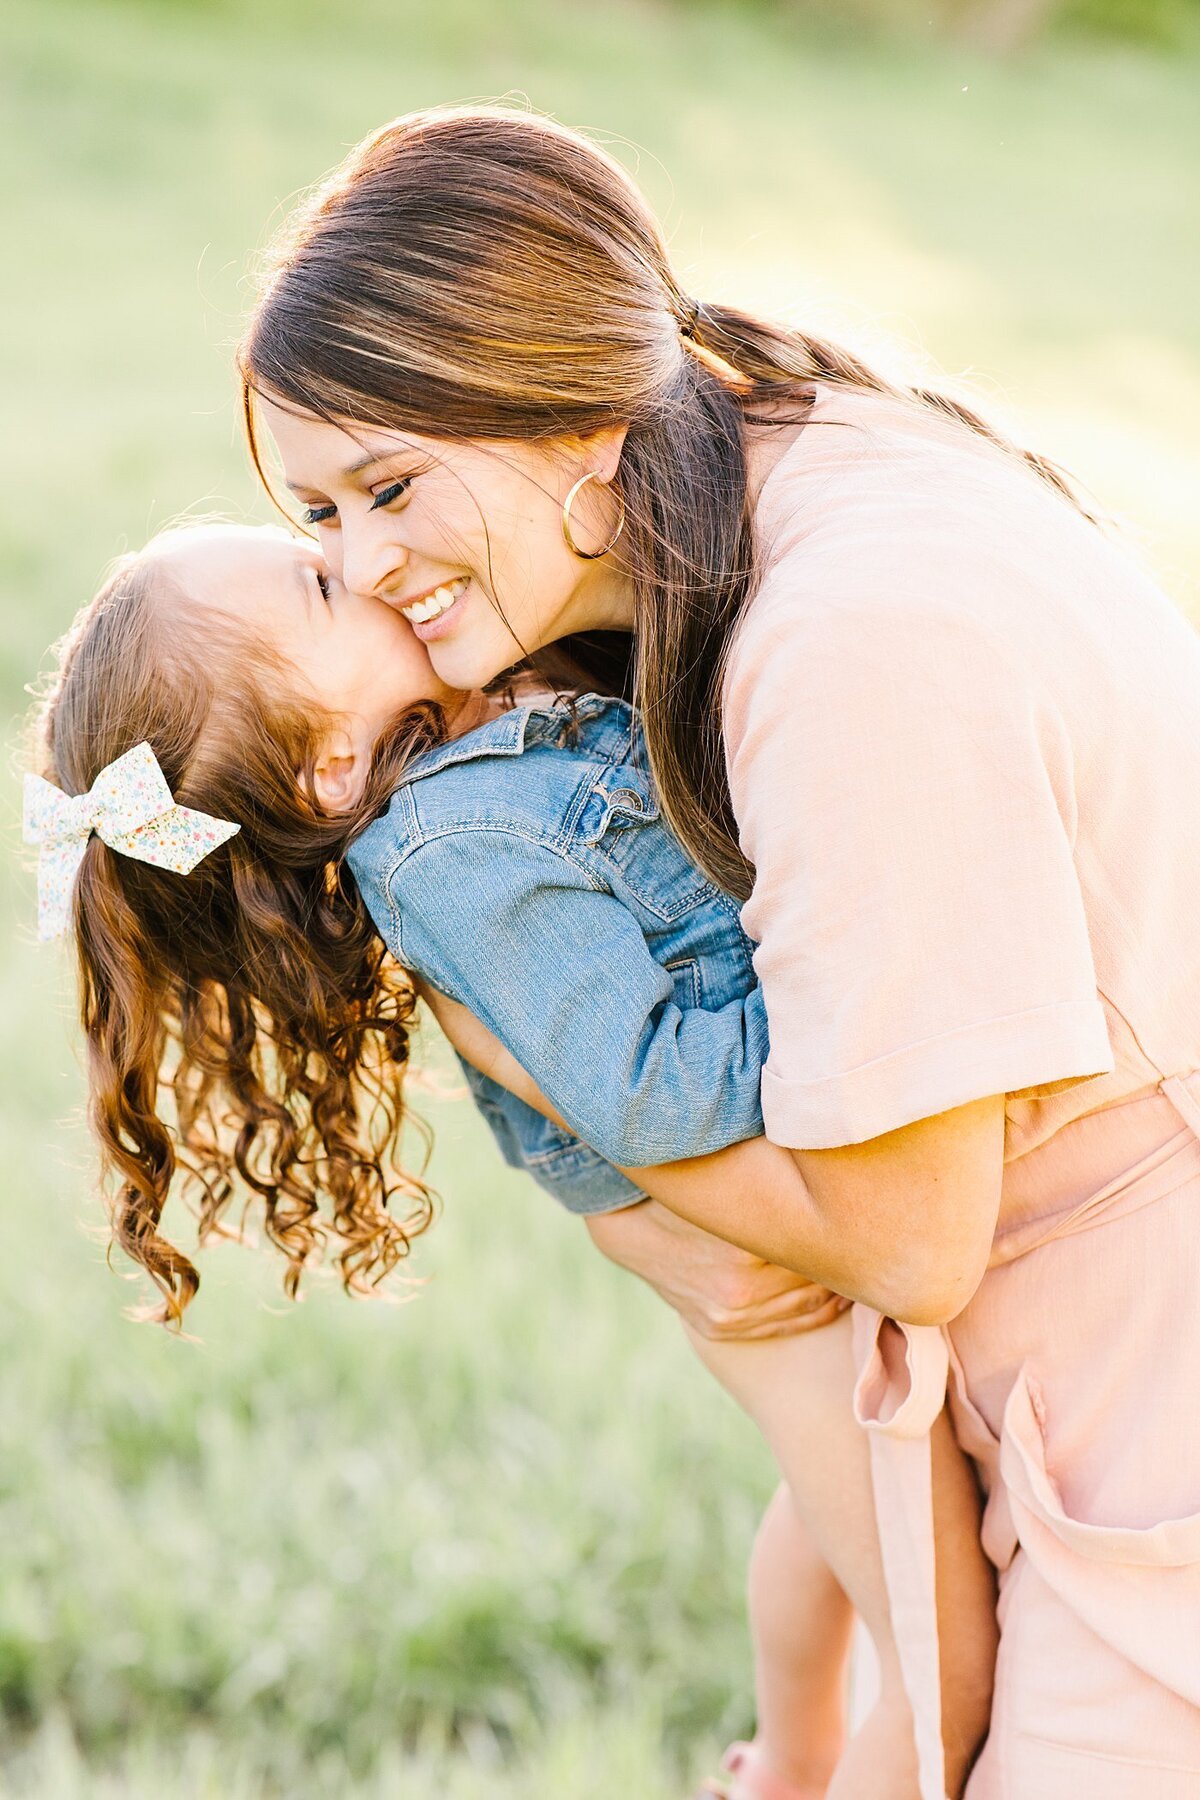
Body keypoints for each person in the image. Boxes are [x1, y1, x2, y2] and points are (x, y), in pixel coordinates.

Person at [236, 102, 1200, 1797]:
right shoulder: (773, 446)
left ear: (567, 415)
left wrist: (557, 1096)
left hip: (1151, 1413)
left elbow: (905, 1245)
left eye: (387, 488)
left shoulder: (851, 646)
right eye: (321, 520)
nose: (363, 571)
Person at [26, 520, 995, 1800]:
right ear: (329, 766)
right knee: (945, 1669)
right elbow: (651, 1093)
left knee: (841, 1516)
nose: (366, 567)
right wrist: (845, 994)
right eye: (322, 584)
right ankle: (837, 1764)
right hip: (769, 1275)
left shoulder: (496, 711)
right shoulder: (451, 848)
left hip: (784, 1235)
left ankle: (791, 1755)